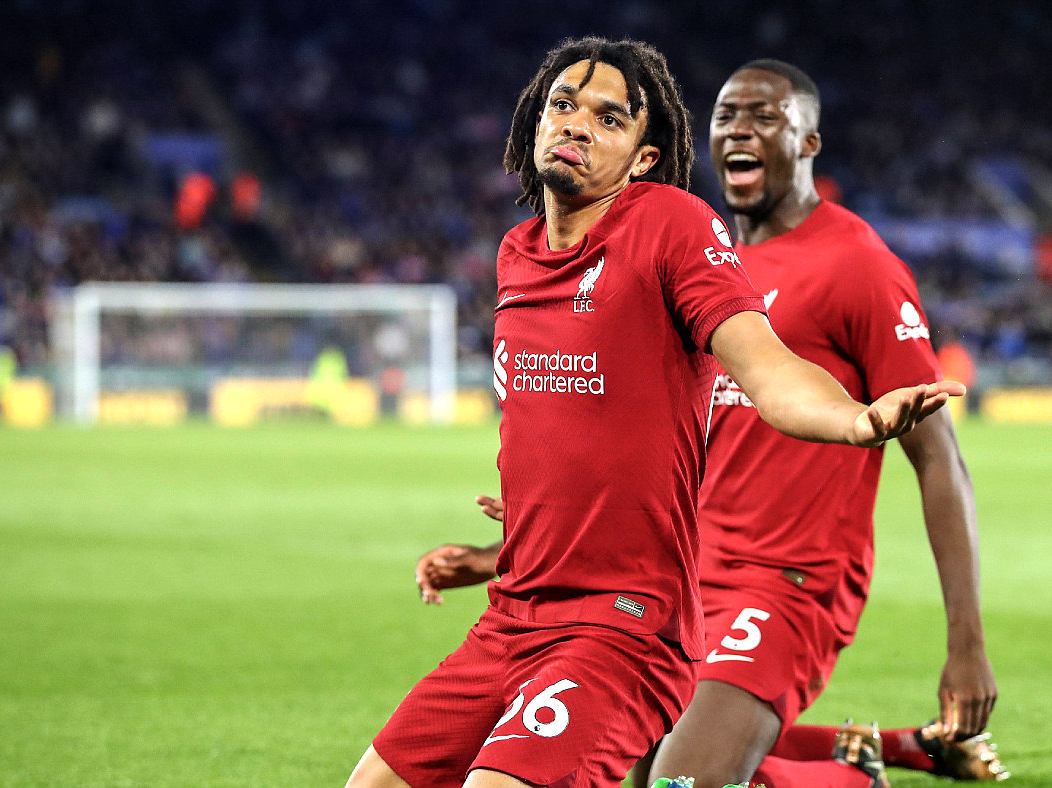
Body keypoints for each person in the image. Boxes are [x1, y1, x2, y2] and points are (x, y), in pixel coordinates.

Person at [355, 38, 961, 788]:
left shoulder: (672, 225)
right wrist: (509, 545)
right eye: (563, 105)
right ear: (536, 121)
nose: (576, 123)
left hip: (623, 625)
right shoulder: (518, 254)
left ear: (644, 158)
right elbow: (584, 438)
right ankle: (864, 757)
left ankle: (851, 778)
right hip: (514, 616)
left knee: (666, 779)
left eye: (609, 118)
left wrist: (854, 421)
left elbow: (767, 368)